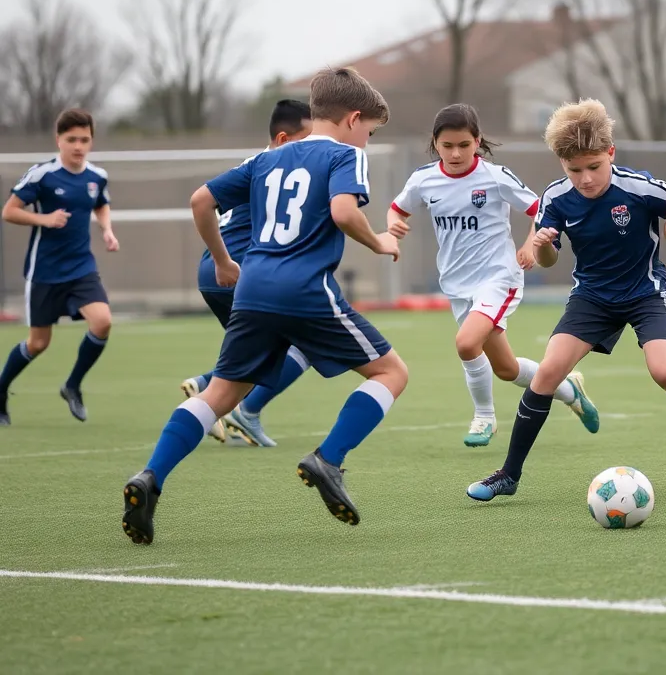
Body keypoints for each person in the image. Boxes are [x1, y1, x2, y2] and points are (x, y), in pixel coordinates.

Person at [121, 68, 407, 545]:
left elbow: (199, 200)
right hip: (304, 290)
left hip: (251, 290)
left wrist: (222, 261)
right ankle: (329, 459)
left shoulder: (266, 158)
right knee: (391, 373)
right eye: (371, 133)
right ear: (355, 119)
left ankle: (151, 477)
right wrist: (378, 242)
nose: (368, 142)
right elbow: (342, 210)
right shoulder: (346, 155)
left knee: (221, 395)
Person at [466, 98, 666, 501]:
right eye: (575, 170)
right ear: (562, 164)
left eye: (594, 167)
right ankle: (508, 475)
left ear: (610, 153)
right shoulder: (557, 198)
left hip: (646, 293)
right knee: (546, 374)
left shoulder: (639, 187)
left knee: (665, 371)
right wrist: (542, 245)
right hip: (591, 297)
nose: (586, 178)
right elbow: (547, 258)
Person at [387, 103, 598, 448]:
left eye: (464, 145)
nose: (456, 153)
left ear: (477, 141)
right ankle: (568, 389)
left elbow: (541, 210)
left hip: (498, 276)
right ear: (435, 144)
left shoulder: (494, 177)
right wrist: (394, 224)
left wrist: (531, 244)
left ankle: (484, 418)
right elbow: (398, 209)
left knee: (467, 343)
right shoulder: (423, 180)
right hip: (456, 284)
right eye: (447, 146)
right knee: (506, 369)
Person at [180, 99, 315, 446]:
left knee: (263, 353)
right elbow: (201, 202)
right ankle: (246, 410)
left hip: (215, 273)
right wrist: (226, 261)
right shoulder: (274, 168)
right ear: (284, 140)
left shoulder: (254, 165)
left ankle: (207, 389)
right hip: (238, 273)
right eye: (308, 139)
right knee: (308, 344)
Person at [0, 109, 119, 426]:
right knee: (38, 343)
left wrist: (106, 229)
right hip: (45, 271)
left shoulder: (97, 176)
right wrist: (44, 219)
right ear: (59, 140)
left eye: (85, 139)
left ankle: (72, 385)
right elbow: (9, 211)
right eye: (72, 140)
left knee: (103, 322)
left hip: (82, 267)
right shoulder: (42, 175)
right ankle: (0, 390)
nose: (78, 146)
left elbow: (101, 203)